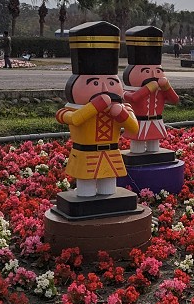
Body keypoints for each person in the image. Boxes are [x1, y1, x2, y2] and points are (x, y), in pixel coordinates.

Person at [55, 21, 139, 197]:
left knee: (109, 188)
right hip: (85, 155)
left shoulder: (122, 106)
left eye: (110, 82)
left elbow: (134, 128)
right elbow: (75, 119)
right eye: (94, 83)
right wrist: (95, 106)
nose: (103, 87)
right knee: (85, 190)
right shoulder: (70, 109)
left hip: (111, 153)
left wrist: (121, 113)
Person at [122, 25, 180, 155]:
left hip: (156, 120)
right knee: (137, 147)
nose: (153, 74)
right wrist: (147, 89)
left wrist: (167, 87)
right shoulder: (129, 89)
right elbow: (132, 98)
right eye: (147, 71)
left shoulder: (161, 88)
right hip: (138, 121)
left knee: (154, 146)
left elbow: (175, 100)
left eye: (158, 71)